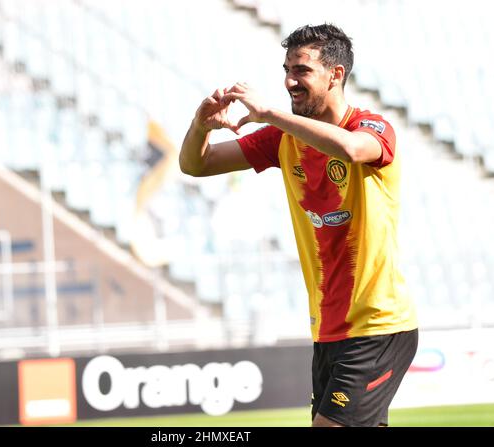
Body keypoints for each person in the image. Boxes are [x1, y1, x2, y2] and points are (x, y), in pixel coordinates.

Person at [179, 23, 418, 427]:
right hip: (328, 333)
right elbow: (196, 164)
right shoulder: (281, 139)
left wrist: (268, 112)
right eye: (286, 69)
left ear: (335, 74)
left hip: (377, 326)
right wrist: (201, 124)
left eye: (302, 70)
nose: (290, 80)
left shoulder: (371, 127)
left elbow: (351, 149)